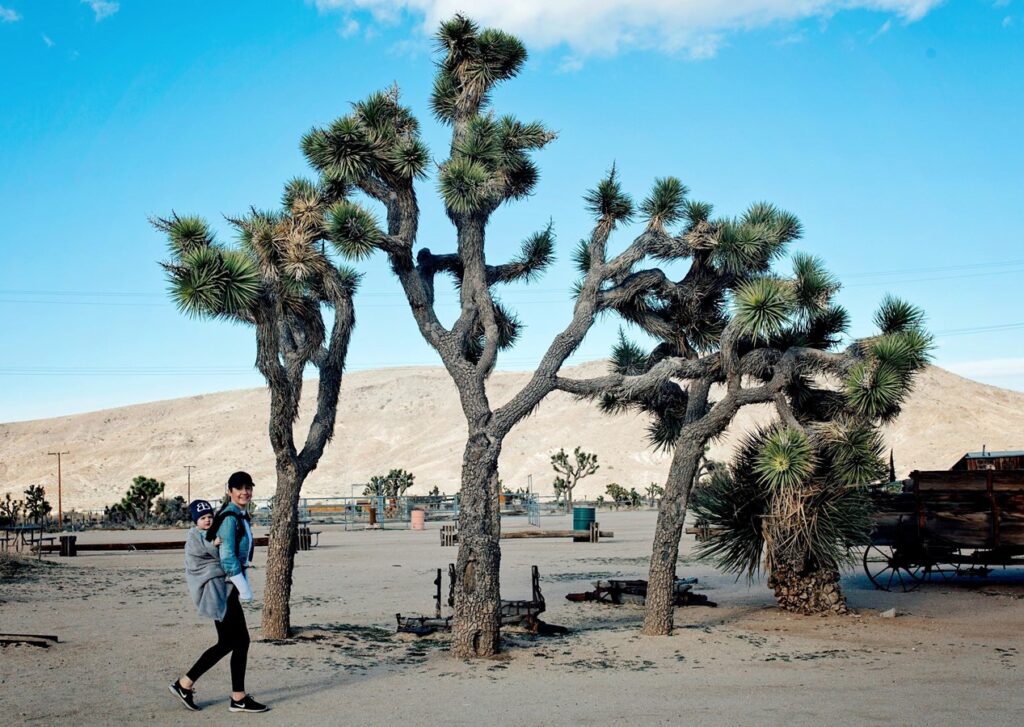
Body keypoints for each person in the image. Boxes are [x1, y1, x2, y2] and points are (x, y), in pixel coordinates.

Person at [169, 473, 268, 713]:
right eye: (240, 488)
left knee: (235, 641)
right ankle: (194, 686)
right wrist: (244, 588)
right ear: (230, 491)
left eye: (248, 488)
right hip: (221, 588)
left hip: (226, 586)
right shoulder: (229, 517)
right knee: (234, 641)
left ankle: (230, 694)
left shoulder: (235, 514)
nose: (245, 492)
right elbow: (227, 557)